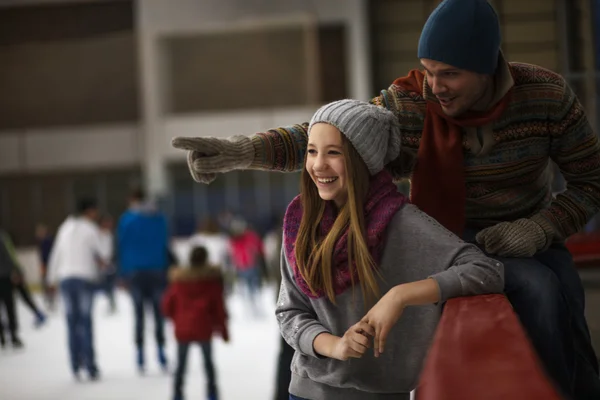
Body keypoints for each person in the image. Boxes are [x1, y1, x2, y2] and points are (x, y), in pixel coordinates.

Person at [171, 0, 600, 397]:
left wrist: (540, 228)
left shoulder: (546, 96)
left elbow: (591, 181)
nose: (436, 86)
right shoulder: (412, 104)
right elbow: (332, 135)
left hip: (525, 234)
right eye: (428, 70)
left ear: (487, 67)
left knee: (554, 293)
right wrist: (243, 151)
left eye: (450, 73)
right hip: (438, 235)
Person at [275, 100, 503, 399]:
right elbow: (290, 311)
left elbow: (486, 271)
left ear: (363, 160)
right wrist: (334, 345)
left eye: (333, 152)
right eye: (312, 151)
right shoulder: (301, 223)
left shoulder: (402, 223)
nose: (318, 165)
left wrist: (399, 296)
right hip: (306, 392)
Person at [47, 198, 110, 380]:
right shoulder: (90, 229)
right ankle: (90, 366)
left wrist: (51, 278)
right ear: (89, 211)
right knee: (85, 323)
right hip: (84, 279)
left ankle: (75, 365)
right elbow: (103, 254)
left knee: (72, 323)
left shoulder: (65, 228)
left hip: (66, 278)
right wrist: (105, 235)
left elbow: (56, 254)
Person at [162, 246, 229, 400]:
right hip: (204, 328)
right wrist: (224, 331)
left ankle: (177, 393)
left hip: (183, 328)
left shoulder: (179, 282)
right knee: (208, 364)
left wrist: (177, 318)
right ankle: (212, 392)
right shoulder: (212, 283)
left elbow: (167, 305)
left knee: (180, 365)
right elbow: (219, 309)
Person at [117, 188, 170, 373]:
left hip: (134, 272)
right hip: (157, 270)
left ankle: (140, 353)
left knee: (139, 314)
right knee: (158, 314)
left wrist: (121, 273)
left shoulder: (127, 219)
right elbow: (165, 242)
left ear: (132, 199)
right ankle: (161, 351)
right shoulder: (159, 217)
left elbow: (121, 245)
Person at [0, 229, 24, 349]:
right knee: (9, 308)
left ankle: (3, 337)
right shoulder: (3, 237)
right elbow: (10, 255)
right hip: (4, 278)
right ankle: (13, 336)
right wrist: (17, 270)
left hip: (4, 276)